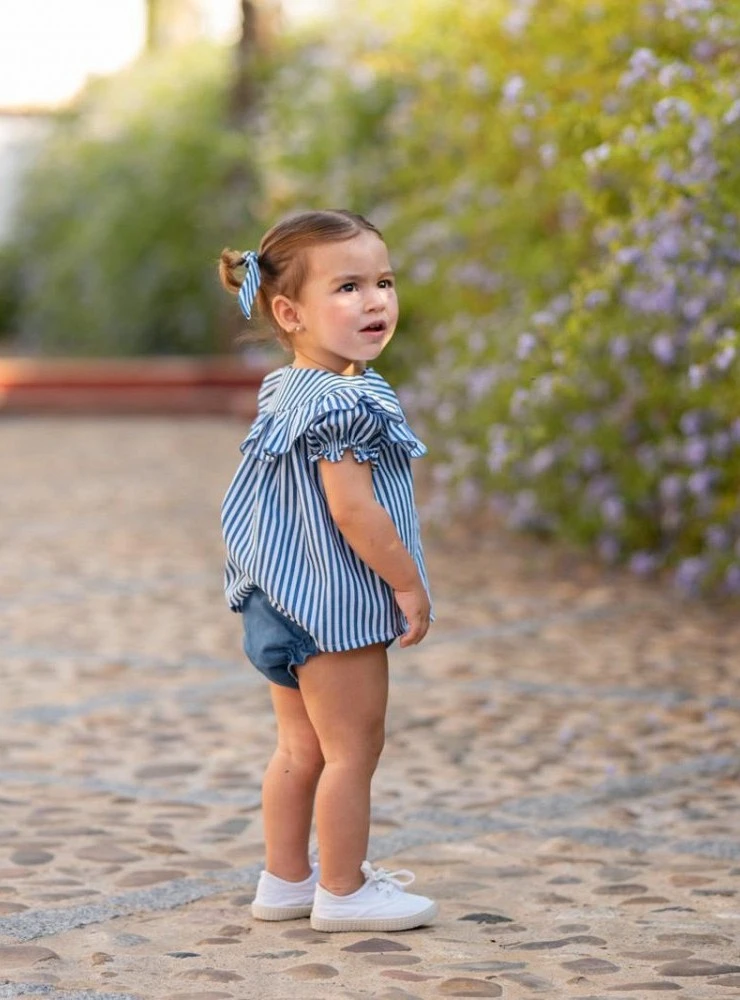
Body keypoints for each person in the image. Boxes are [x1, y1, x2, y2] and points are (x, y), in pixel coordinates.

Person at [219, 209, 437, 933]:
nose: (375, 300)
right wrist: (406, 581)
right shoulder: (347, 402)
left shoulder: (288, 388)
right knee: (353, 749)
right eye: (347, 287)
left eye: (384, 281)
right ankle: (342, 890)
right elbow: (354, 513)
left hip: (274, 598)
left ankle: (285, 880)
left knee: (299, 747)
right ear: (290, 311)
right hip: (331, 607)